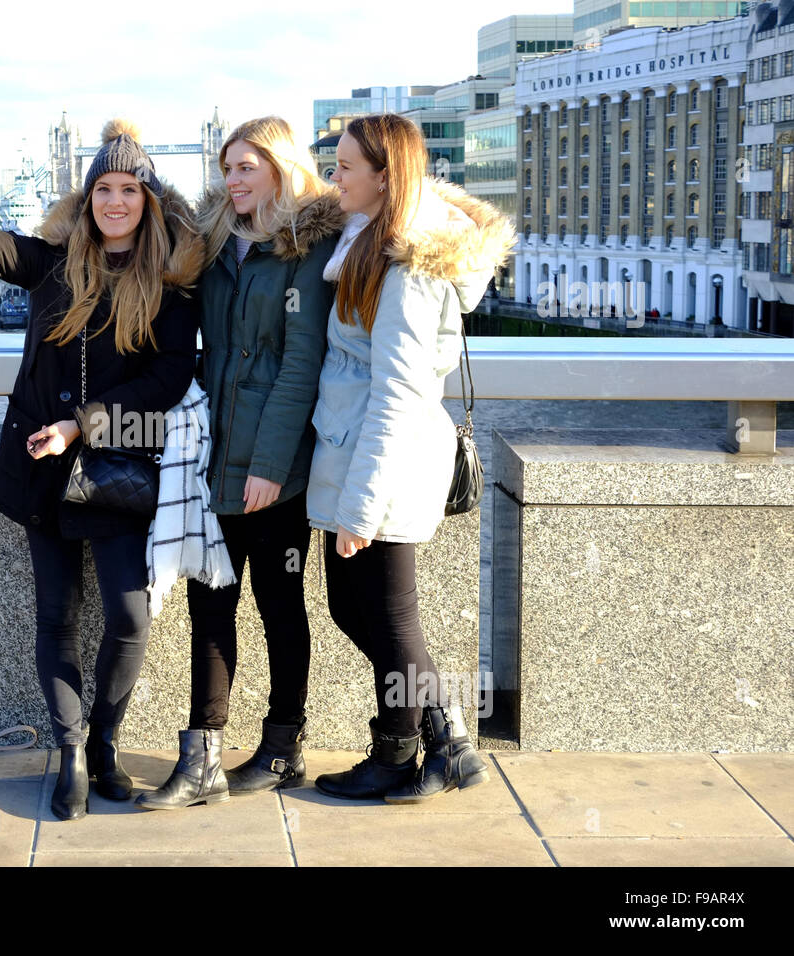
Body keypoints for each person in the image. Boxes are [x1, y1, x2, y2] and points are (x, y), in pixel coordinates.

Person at [0, 119, 204, 821]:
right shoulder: (51, 263)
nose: (116, 201)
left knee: (129, 616)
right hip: (39, 466)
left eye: (129, 189)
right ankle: (73, 753)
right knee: (56, 617)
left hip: (116, 470)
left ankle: (105, 745)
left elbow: (173, 375)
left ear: (147, 198)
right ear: (87, 199)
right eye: (103, 189)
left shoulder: (171, 284)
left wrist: (87, 423)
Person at [306, 113, 514, 802]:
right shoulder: (369, 241)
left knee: (391, 619)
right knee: (357, 610)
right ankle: (406, 749)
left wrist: (361, 509)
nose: (334, 178)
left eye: (344, 169)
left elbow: (395, 393)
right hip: (361, 456)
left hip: (382, 467)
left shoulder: (407, 265)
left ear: (385, 177)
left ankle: (441, 738)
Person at [136, 117, 343, 811]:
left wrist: (270, 466)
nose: (233, 180)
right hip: (211, 458)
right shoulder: (217, 244)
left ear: (280, 167)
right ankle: (201, 755)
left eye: (247, 167)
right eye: (227, 168)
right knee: (208, 605)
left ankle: (283, 748)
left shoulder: (306, 251)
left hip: (270, 470)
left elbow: (299, 366)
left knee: (280, 605)